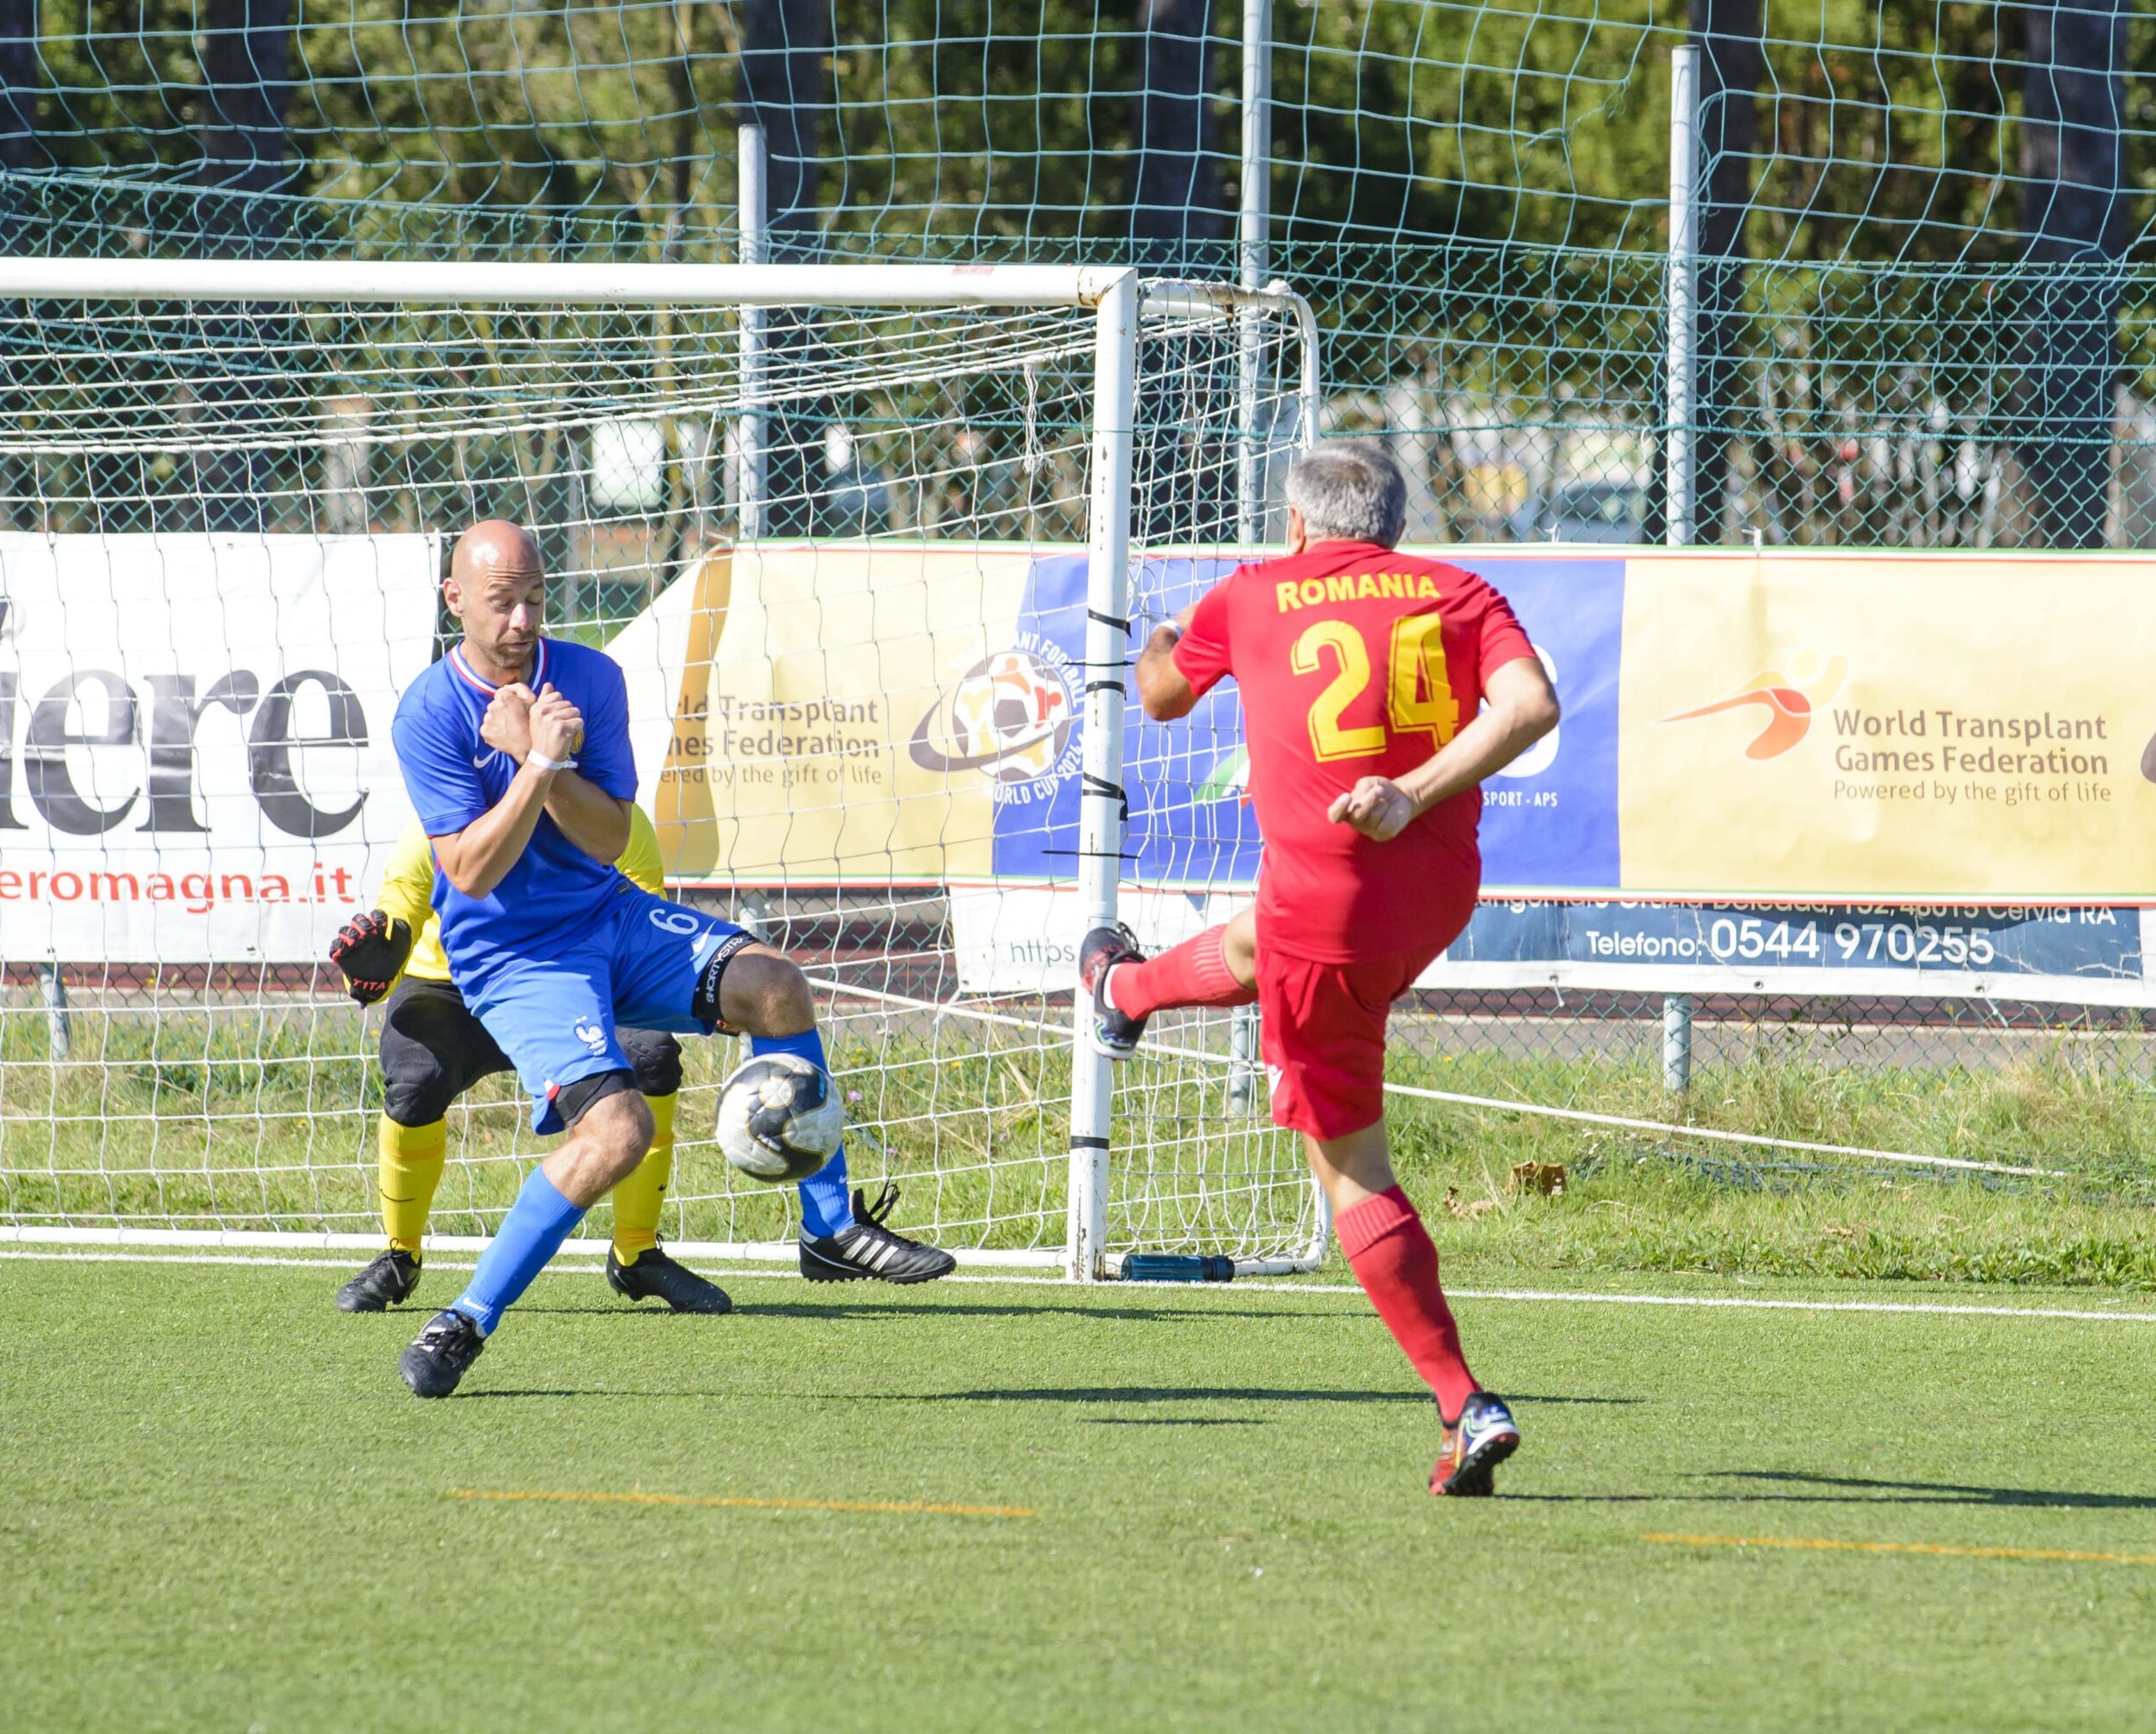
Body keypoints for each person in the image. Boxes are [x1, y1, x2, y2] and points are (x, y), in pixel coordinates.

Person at [1079, 444, 1559, 1496]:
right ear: (1393, 525)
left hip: (1332, 912)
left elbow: (1159, 694)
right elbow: (1531, 706)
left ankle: (1464, 1403)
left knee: (1350, 1169)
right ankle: (1126, 992)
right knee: (1267, 940)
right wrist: (1415, 792)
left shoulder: (1253, 592)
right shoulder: (1458, 589)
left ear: (1296, 525)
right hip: (1435, 896)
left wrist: (1161, 635)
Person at [381, 521, 952, 1397]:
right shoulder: (427, 711)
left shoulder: (590, 679)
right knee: (619, 1132)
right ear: (455, 599)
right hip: (514, 955)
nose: (523, 619)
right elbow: (470, 869)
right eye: (501, 602)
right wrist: (536, 762)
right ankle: (464, 1318)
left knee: (776, 986)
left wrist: (544, 757)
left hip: (609, 914)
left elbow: (611, 837)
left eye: (535, 598)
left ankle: (828, 1230)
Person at [327, 805, 949, 1317]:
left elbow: (639, 937)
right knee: (416, 1079)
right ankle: (400, 1254)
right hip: (455, 986)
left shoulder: (611, 819)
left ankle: (636, 1254)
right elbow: (396, 920)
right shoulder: (442, 821)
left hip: (578, 975)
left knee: (650, 1054)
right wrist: (372, 971)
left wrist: (705, 988)